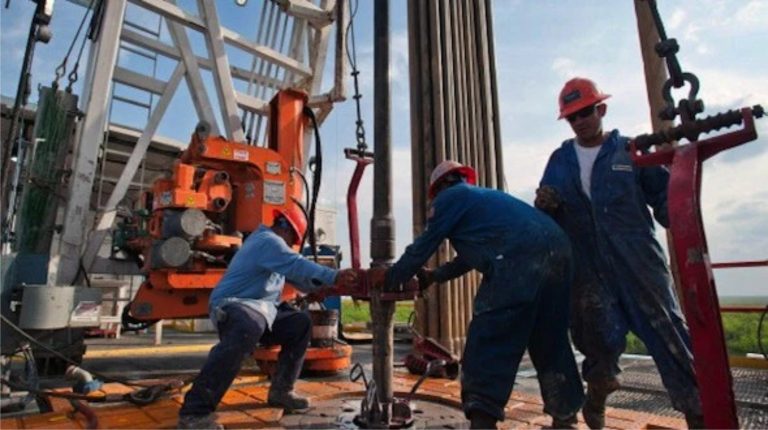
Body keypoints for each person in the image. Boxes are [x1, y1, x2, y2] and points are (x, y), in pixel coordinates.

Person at [535, 77, 703, 429]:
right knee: (597, 344)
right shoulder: (560, 160)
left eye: (585, 112)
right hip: (588, 272)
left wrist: (688, 227)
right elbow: (546, 213)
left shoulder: (631, 151)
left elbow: (667, 200)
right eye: (572, 117)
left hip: (639, 265)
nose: (580, 121)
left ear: (601, 109)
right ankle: (597, 397)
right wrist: (545, 206)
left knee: (670, 338)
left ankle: (699, 415)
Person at [386, 160, 585, 429]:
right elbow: (467, 259)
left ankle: (483, 421)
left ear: (439, 187)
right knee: (550, 338)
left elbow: (423, 246)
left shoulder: (450, 198)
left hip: (518, 257)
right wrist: (434, 276)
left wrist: (391, 279)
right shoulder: (484, 200)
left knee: (490, 338)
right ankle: (565, 416)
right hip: (559, 250)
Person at [177, 205, 358, 429]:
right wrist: (334, 275)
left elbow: (297, 277)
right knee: (249, 326)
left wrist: (324, 287)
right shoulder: (267, 241)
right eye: (293, 240)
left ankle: (282, 391)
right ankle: (195, 412)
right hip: (234, 305)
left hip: (261, 311)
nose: (291, 245)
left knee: (300, 323)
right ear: (286, 229)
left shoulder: (272, 249)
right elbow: (295, 264)